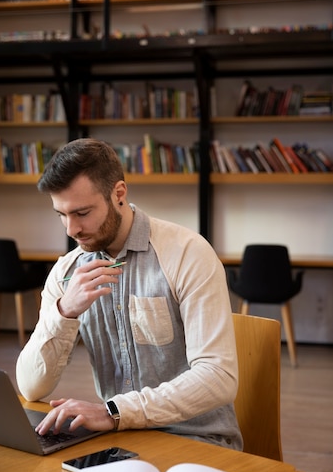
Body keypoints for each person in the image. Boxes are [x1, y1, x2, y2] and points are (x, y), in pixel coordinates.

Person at [16, 138, 243, 450]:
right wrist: (64, 312)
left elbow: (218, 377)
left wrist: (115, 412)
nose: (71, 229)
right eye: (61, 214)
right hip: (120, 439)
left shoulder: (188, 254)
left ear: (118, 194)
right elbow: (30, 387)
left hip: (198, 439)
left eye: (82, 212)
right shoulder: (66, 272)